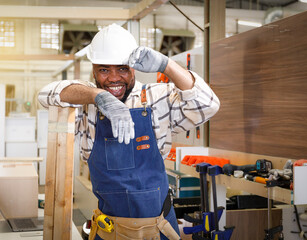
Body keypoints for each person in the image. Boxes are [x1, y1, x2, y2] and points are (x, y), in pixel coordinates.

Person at [38, 23, 220, 240]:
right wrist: (98, 96)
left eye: (122, 68)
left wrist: (167, 65)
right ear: (94, 69)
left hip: (159, 228)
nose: (114, 78)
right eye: (104, 70)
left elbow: (208, 104)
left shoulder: (156, 97)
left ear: (134, 67)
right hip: (109, 230)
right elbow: (45, 95)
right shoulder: (86, 104)